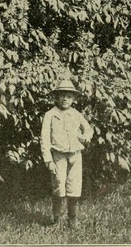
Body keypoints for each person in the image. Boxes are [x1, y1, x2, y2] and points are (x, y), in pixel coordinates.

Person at [40, 78, 92, 228]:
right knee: (58, 186)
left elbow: (88, 129)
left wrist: (85, 136)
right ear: (56, 97)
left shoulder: (76, 114)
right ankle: (56, 220)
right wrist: (48, 160)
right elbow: (44, 138)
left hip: (75, 155)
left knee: (74, 187)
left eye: (69, 96)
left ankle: (72, 220)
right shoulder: (50, 115)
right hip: (58, 156)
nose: (65, 99)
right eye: (62, 95)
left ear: (73, 99)